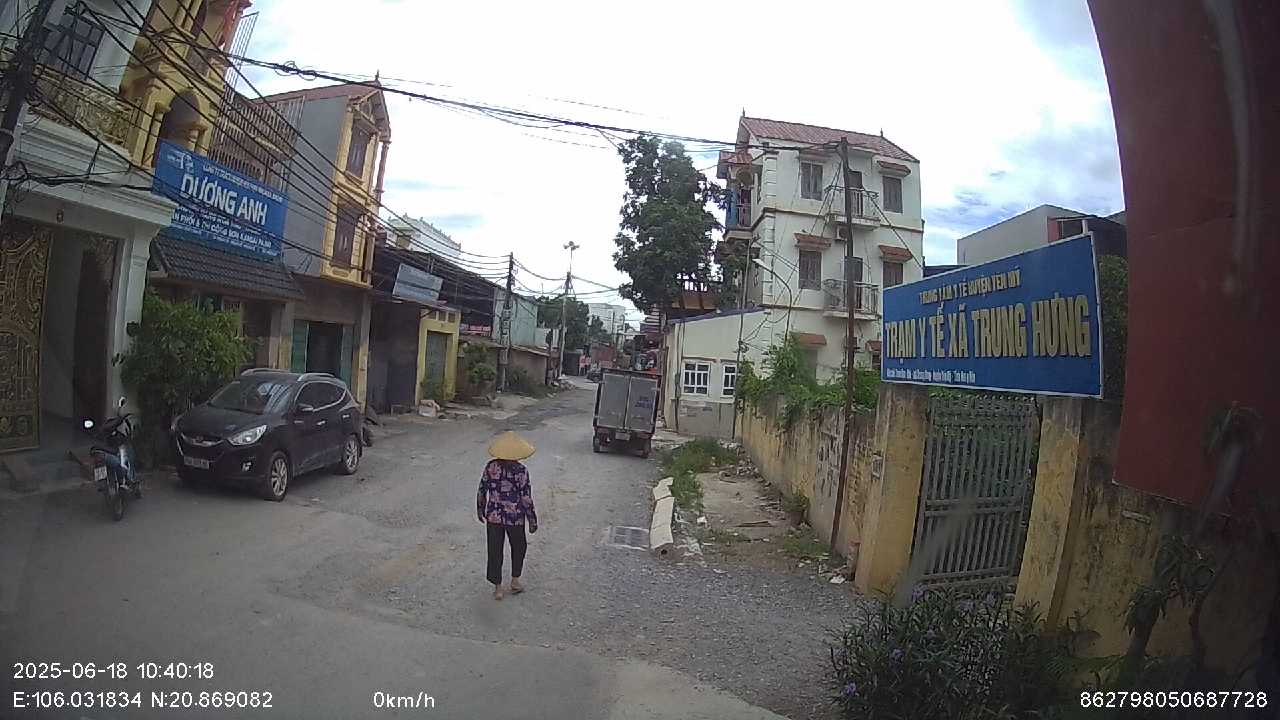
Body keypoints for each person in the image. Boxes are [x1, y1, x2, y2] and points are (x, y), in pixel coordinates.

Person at [476, 431, 538, 600]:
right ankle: (515, 581)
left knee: (494, 550)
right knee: (519, 547)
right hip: (515, 518)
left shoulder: (491, 467)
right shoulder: (521, 471)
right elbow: (526, 498)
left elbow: (482, 489)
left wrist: (480, 509)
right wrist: (532, 520)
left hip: (494, 517)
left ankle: (498, 588)